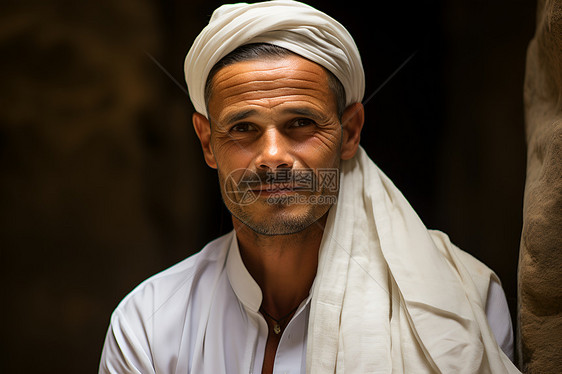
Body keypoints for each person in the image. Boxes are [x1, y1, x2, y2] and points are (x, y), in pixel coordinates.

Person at [99, 1, 519, 373]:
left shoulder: (464, 300)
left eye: (300, 123)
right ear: (208, 143)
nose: (272, 155)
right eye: (243, 129)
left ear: (350, 132)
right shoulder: (149, 325)